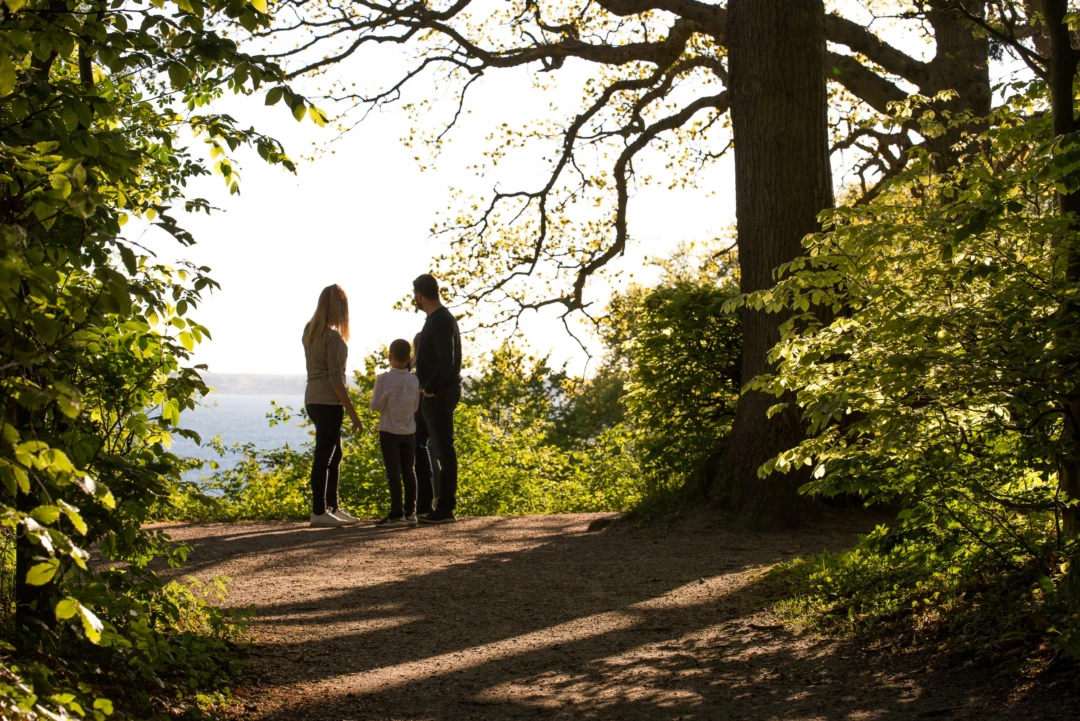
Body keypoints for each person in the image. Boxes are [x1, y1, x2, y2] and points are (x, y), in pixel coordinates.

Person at [302, 284, 364, 528]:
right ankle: (319, 510)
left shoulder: (310, 331)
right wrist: (352, 413)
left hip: (312, 399)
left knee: (333, 454)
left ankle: (332, 507)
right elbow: (336, 379)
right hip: (328, 401)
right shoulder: (333, 337)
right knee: (325, 456)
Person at [412, 273, 462, 524]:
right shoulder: (436, 319)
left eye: (415, 296)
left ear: (420, 295)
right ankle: (424, 503)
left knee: (444, 450)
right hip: (429, 396)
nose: (415, 301)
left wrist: (430, 388)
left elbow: (447, 361)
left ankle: (446, 507)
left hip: (438, 395)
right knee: (418, 443)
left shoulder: (441, 320)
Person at [370, 338, 421, 528]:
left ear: (390, 357)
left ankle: (396, 513)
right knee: (409, 471)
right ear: (409, 359)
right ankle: (410, 512)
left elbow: (376, 405)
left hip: (389, 431)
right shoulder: (414, 379)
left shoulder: (384, 379)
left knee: (393, 473)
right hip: (409, 431)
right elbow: (415, 406)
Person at [410, 332, 436, 516]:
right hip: (428, 418)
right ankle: (426, 503)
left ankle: (424, 504)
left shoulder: (418, 374)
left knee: (421, 454)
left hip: (419, 420)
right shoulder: (434, 369)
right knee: (425, 452)